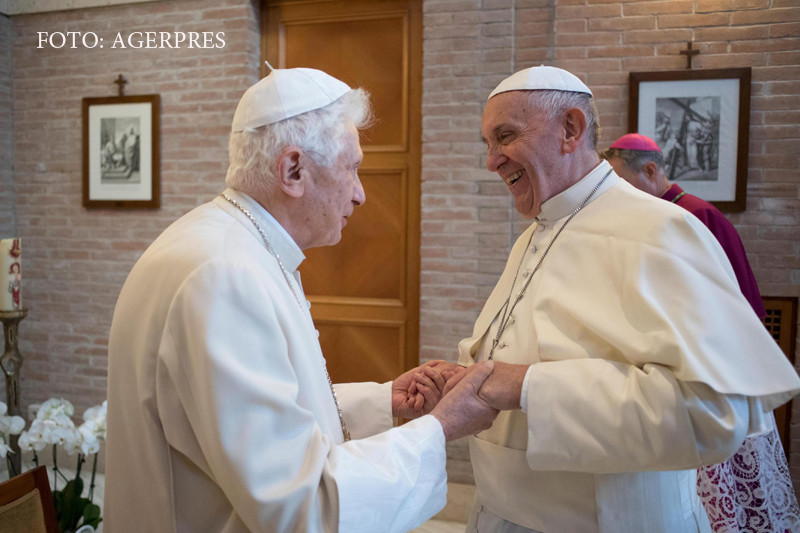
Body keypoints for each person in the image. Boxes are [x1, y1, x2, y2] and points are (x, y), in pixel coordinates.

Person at [104, 67, 499, 533]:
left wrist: (381, 400)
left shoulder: (230, 243)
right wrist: (439, 429)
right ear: (293, 170)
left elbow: (255, 414)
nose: (360, 193)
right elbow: (299, 505)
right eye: (351, 168)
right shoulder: (224, 276)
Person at [446, 66, 800, 533]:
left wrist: (526, 386)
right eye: (487, 144)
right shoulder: (535, 234)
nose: (492, 161)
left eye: (505, 136)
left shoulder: (660, 230)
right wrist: (469, 376)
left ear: (570, 129)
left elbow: (716, 412)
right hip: (499, 514)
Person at [603, 132, 800, 531]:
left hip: (710, 369)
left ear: (652, 170)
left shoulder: (694, 216)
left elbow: (722, 310)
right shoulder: (650, 216)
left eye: (619, 182)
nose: (615, 194)